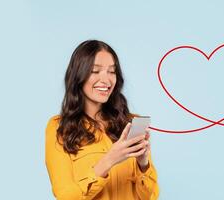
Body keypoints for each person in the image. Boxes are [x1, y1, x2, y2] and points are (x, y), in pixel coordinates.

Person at [45, 40, 159, 200]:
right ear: (78, 75)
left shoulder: (131, 123)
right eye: (95, 71)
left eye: (112, 72)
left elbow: (150, 197)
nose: (106, 80)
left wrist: (143, 163)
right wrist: (109, 160)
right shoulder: (58, 128)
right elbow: (65, 196)